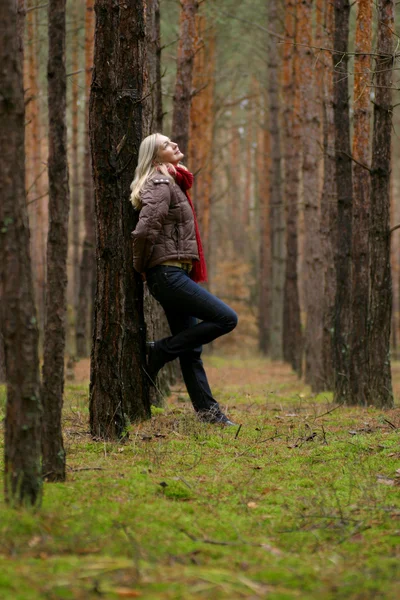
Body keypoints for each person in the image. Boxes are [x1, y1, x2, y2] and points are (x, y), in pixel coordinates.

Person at [130, 133, 238, 426]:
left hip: (173, 273)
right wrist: (141, 266)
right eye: (166, 145)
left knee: (191, 350)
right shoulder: (161, 182)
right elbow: (144, 231)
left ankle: (210, 415)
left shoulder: (173, 181)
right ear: (154, 157)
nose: (175, 145)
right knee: (227, 319)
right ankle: (160, 351)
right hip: (167, 274)